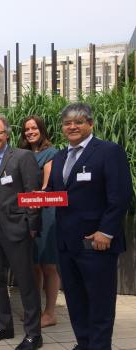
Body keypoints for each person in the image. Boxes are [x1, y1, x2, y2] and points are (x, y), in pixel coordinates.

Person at [46, 103, 132, 350]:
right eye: (67, 123)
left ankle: (99, 346)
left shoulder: (108, 151)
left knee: (100, 302)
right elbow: (55, 192)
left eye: (79, 121)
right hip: (66, 244)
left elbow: (120, 196)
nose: (72, 126)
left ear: (90, 124)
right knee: (75, 300)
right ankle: (84, 344)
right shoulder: (60, 156)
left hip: (97, 242)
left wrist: (106, 231)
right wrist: (36, 198)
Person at [0, 114, 42, 350]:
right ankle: (4, 326)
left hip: (17, 229)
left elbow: (33, 195)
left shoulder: (22, 157)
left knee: (25, 283)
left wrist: (31, 227)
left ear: (7, 134)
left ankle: (34, 334)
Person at [18, 116, 60, 328]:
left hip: (45, 213)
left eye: (34, 128)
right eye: (27, 129)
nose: (30, 132)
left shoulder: (51, 153)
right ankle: (35, 309)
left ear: (42, 130)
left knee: (48, 265)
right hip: (26, 213)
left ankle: (50, 312)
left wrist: (28, 198)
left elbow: (45, 187)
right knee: (34, 265)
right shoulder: (22, 153)